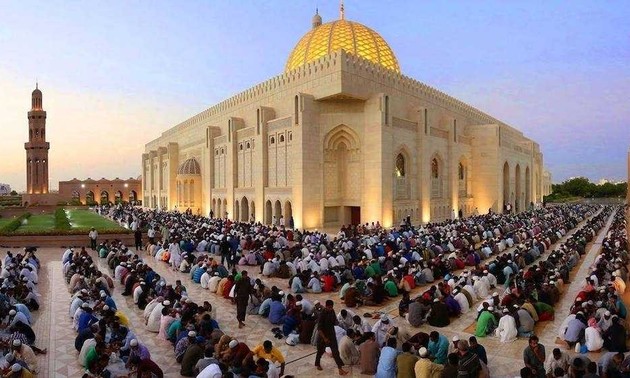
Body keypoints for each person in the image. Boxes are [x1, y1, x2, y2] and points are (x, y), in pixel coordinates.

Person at [314, 300, 348, 375]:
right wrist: (325, 338)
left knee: (336, 352)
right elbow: (319, 329)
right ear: (326, 306)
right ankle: (317, 364)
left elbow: (334, 321)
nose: (330, 308)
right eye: (329, 307)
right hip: (323, 336)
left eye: (331, 307)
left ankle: (340, 369)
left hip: (331, 334)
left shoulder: (332, 311)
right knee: (320, 351)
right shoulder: (322, 314)